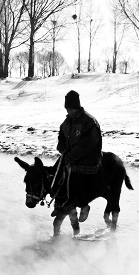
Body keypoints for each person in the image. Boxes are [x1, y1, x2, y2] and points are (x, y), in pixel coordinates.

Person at [53, 90, 102, 222]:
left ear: (77, 107)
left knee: (74, 180)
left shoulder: (89, 122)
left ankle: (84, 206)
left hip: (88, 159)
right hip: (71, 156)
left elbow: (86, 146)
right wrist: (62, 148)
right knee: (54, 172)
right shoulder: (68, 120)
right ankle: (58, 204)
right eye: (67, 109)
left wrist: (69, 158)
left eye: (71, 109)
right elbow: (61, 135)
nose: (69, 112)